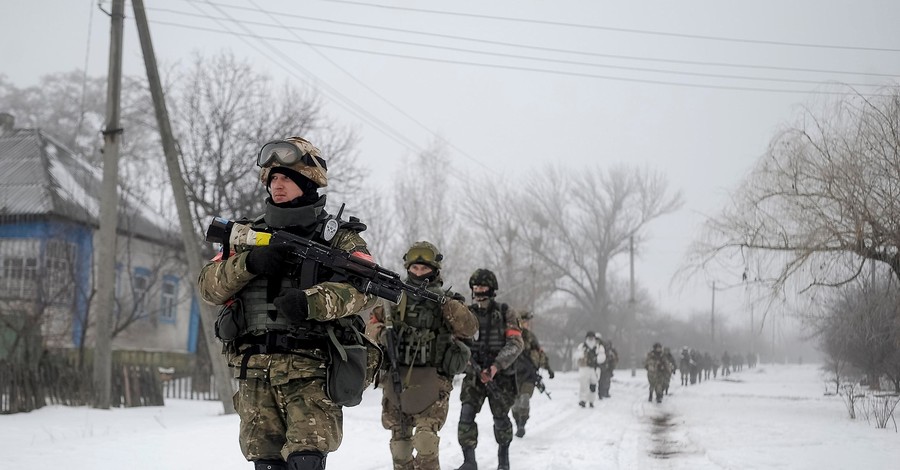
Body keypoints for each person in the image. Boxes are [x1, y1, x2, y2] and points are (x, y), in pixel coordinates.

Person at [198, 137, 379, 470]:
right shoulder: (247, 234)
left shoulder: (338, 239)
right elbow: (207, 287)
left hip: (310, 371)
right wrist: (248, 264)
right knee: (266, 464)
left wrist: (310, 302)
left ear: (308, 181)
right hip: (254, 371)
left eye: (286, 178)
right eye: (273, 179)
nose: (276, 185)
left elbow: (363, 289)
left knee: (305, 462)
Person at [365, 241, 478, 470]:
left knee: (426, 441)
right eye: (414, 269)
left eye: (423, 269)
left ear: (434, 270)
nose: (418, 273)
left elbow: (469, 328)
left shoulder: (447, 301)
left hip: (433, 379)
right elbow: (372, 324)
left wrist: (448, 305)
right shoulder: (395, 296)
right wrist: (381, 334)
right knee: (400, 446)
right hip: (398, 376)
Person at [455, 269, 524, 470]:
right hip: (474, 374)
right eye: (475, 287)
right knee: (466, 415)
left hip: (500, 377)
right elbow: (455, 341)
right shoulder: (465, 313)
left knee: (501, 418)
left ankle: (503, 459)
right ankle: (469, 461)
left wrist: (495, 366)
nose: (478, 291)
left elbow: (516, 343)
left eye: (482, 287)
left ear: (491, 289)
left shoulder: (506, 312)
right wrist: (466, 360)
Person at [510, 311, 554, 438]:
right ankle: (517, 421)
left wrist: (549, 368)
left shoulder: (531, 337)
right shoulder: (510, 335)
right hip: (512, 374)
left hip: (528, 375)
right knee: (514, 403)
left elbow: (540, 353)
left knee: (524, 399)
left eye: (526, 322)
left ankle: (522, 424)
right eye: (523, 321)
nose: (525, 324)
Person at [572, 331, 605, 408]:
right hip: (584, 367)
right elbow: (576, 355)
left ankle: (591, 401)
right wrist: (583, 357)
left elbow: (602, 357)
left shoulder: (598, 347)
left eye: (592, 337)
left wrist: (595, 359)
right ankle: (583, 400)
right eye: (589, 337)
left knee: (593, 385)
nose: (590, 339)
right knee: (583, 385)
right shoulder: (582, 346)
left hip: (594, 368)